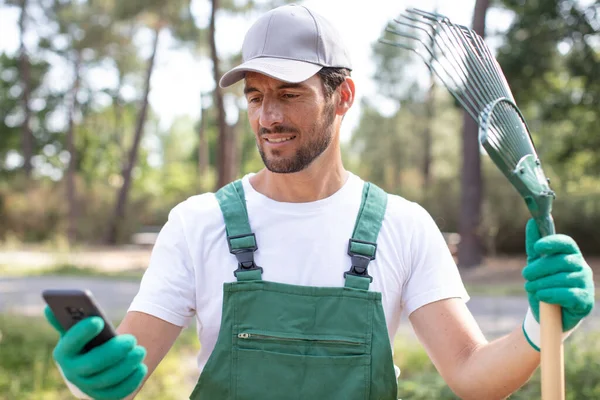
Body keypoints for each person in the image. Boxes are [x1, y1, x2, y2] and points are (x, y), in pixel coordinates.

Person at [46, 4, 595, 400]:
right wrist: (86, 377)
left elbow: (473, 378)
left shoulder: (402, 226)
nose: (268, 118)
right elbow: (125, 372)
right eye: (255, 97)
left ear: (343, 96)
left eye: (289, 94)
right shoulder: (198, 223)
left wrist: (541, 328)